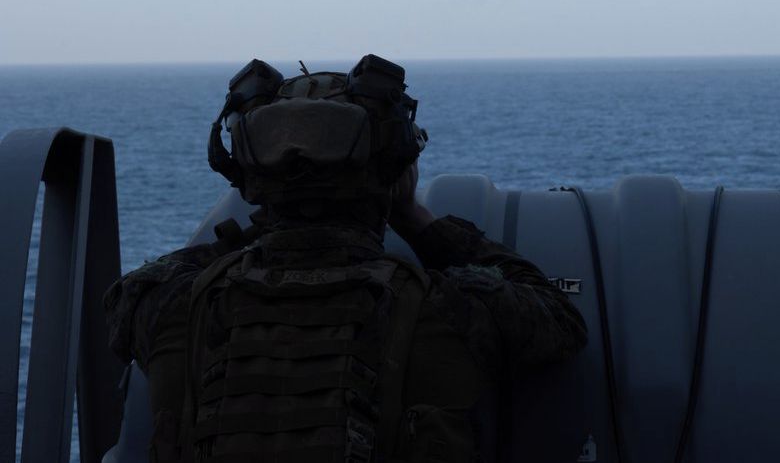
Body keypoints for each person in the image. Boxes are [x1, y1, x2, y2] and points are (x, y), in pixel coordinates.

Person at [104, 55, 587, 463]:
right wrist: (414, 217)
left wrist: (267, 221)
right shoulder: (449, 309)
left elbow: (135, 292)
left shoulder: (174, 308)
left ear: (249, 175)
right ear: (394, 173)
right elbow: (557, 319)